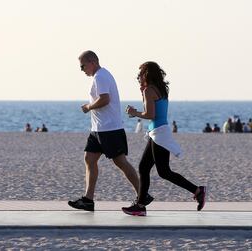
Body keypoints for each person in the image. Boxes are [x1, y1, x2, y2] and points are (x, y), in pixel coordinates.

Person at [124, 62, 206, 216]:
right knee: (144, 167)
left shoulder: (149, 90)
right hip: (158, 131)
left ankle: (197, 190)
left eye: (140, 75)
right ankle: (140, 205)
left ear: (147, 75)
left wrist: (135, 112)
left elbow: (150, 115)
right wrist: (143, 94)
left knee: (163, 171)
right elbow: (155, 112)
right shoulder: (160, 89)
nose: (138, 78)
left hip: (159, 133)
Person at [68, 50, 145, 212]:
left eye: (82, 66)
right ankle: (88, 200)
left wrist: (88, 107)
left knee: (120, 162)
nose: (82, 70)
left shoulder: (101, 76)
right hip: (98, 129)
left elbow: (105, 99)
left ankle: (142, 195)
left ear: (92, 62)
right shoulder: (99, 76)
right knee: (89, 159)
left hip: (109, 128)